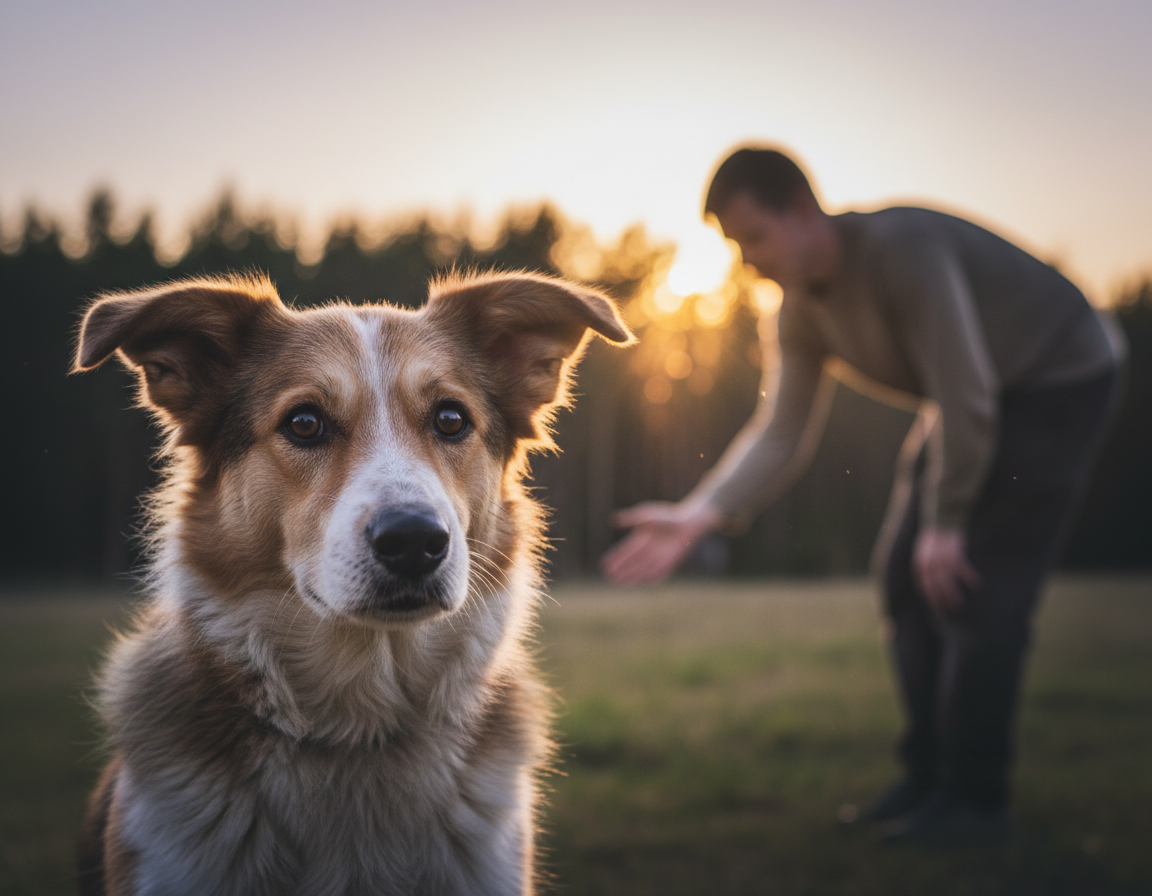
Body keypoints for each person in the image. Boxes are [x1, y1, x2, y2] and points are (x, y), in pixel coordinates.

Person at [601, 146, 1124, 843]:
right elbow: (779, 432)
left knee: (973, 587)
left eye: (752, 237)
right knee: (904, 580)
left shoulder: (905, 250)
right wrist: (700, 514)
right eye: (732, 245)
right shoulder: (797, 314)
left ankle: (976, 801)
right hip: (973, 399)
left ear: (801, 209)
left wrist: (950, 523)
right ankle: (927, 777)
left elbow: (967, 395)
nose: (745, 260)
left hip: (1059, 378)